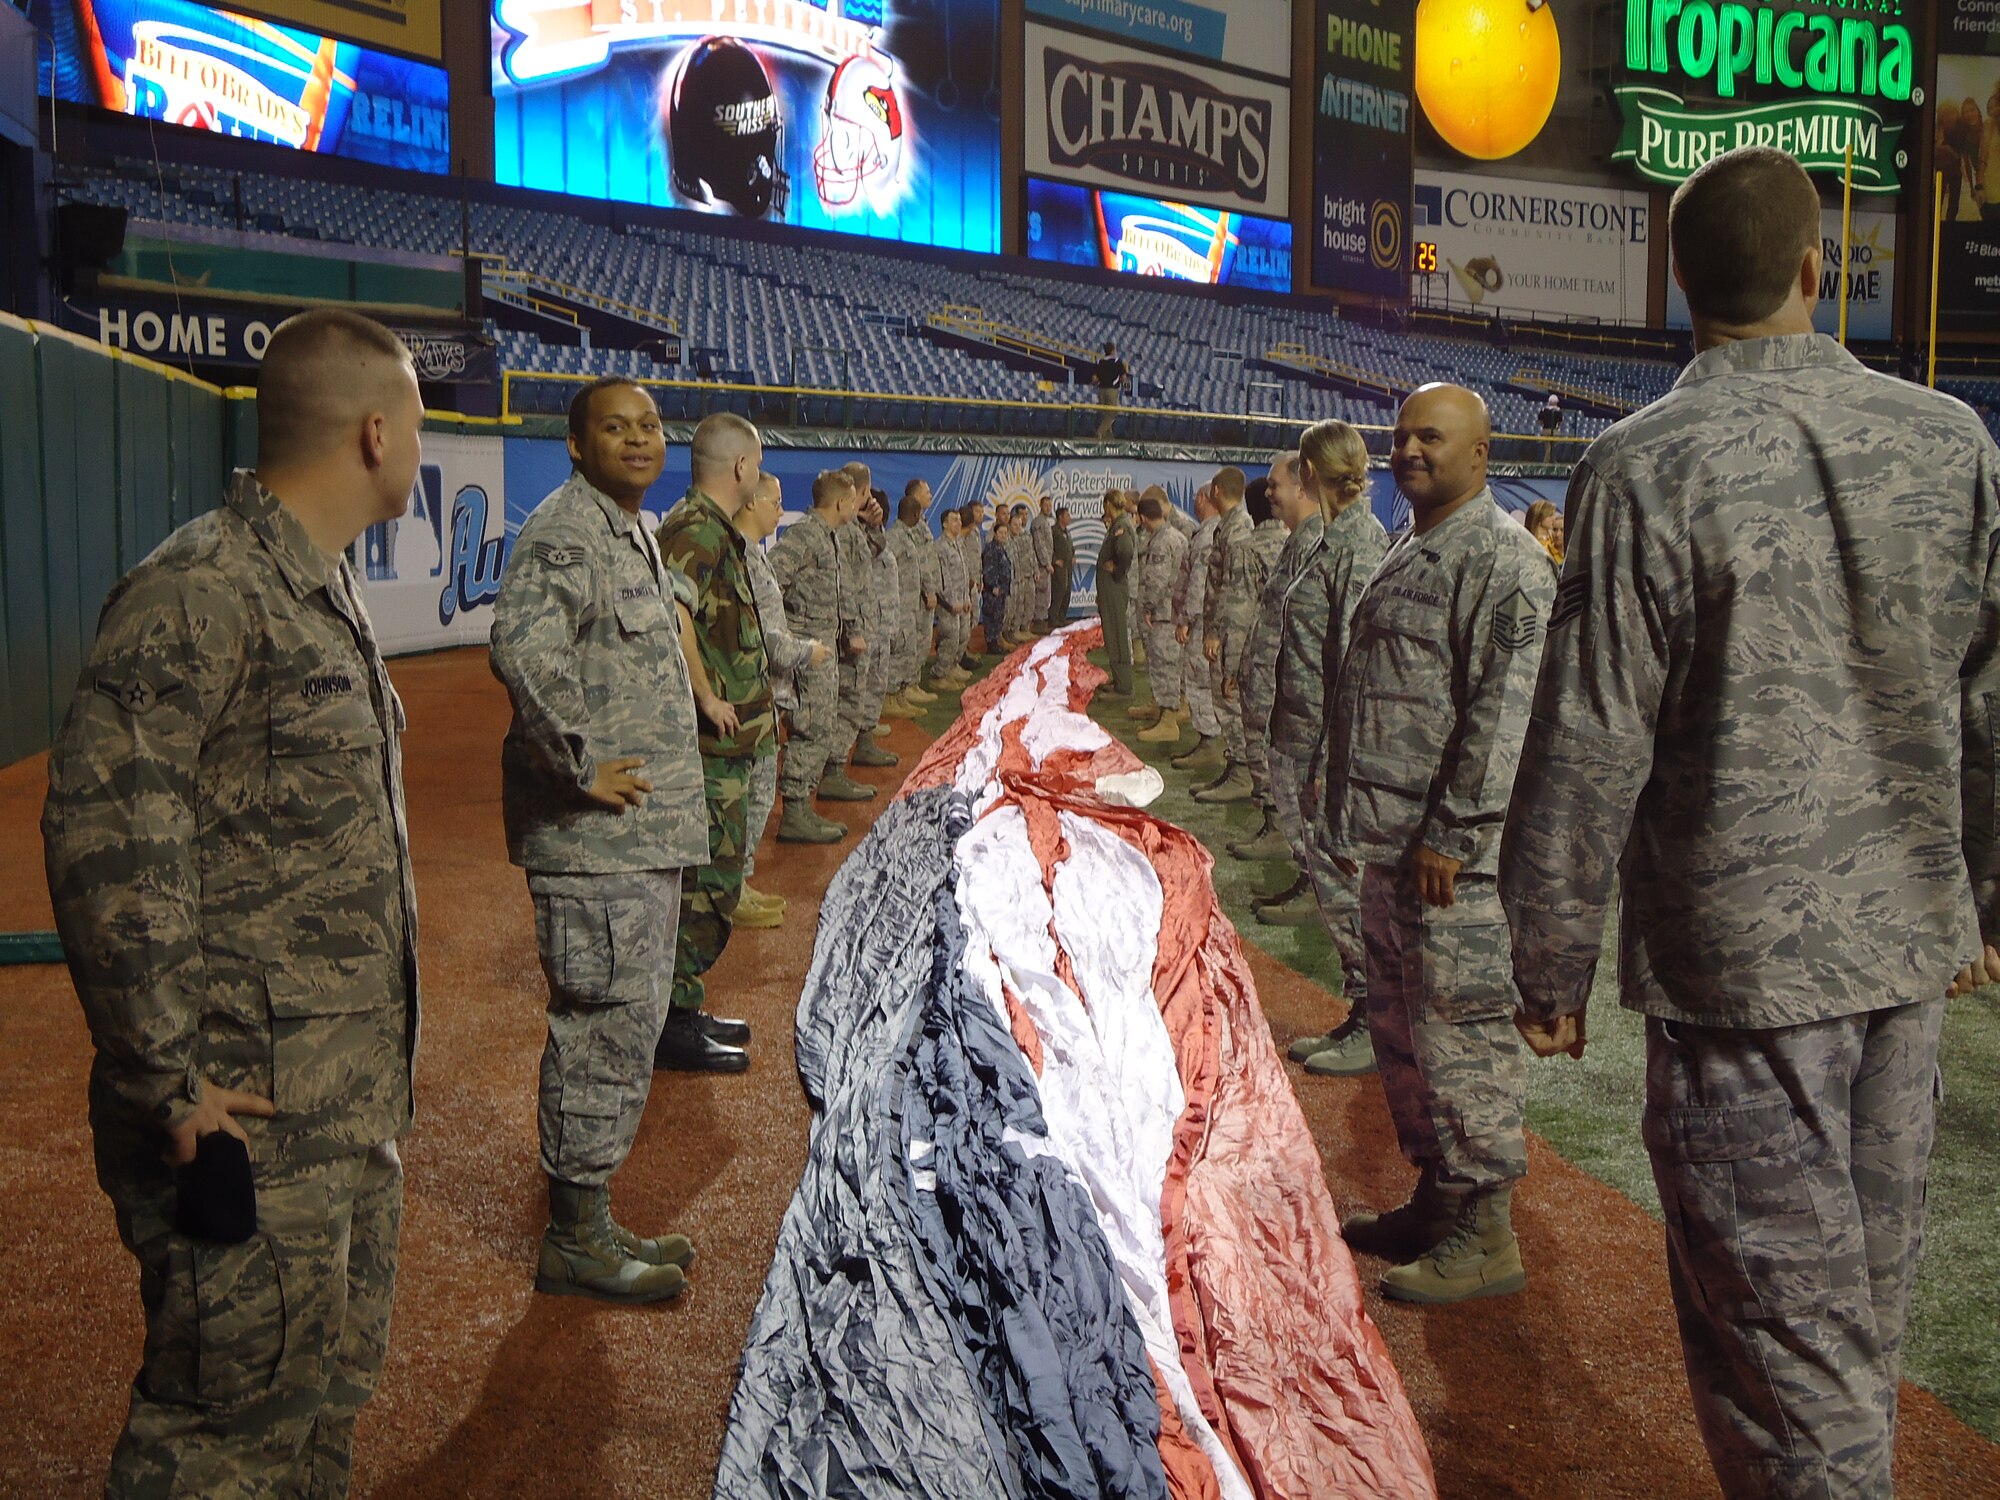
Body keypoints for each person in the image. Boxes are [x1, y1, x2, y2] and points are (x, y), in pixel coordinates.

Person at [1500, 144, 2000, 1499]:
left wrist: (1544, 960)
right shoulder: (1951, 441)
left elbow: (1589, 733)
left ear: (1678, 282)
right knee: (1846, 1341)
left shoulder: (1640, 463)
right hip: (1904, 955)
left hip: (1739, 977)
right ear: (1816, 271)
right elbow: (1993, 710)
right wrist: (1984, 904)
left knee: (1783, 1355)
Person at [43, 309, 424, 1495]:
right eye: (414, 424)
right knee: (220, 1436)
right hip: (239, 1115)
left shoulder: (314, 586)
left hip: (335, 1109)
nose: (416, 446)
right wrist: (169, 1085)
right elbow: (109, 839)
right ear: (375, 433)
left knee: (317, 1408)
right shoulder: (199, 591)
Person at [1323, 381, 1554, 1305]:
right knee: (1404, 1030)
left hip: (1448, 862)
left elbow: (1504, 717)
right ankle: (1439, 1193)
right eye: (1403, 435)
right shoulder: (1411, 541)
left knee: (1458, 1036)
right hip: (1390, 845)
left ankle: (1488, 1229)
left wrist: (1453, 834)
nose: (1411, 450)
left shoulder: (1505, 562)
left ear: (1481, 455)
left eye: (1433, 437)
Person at [490, 375, 703, 1304]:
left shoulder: (630, 531)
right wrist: (579, 766)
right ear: (576, 446)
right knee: (599, 1030)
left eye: (651, 425)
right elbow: (523, 650)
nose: (639, 440)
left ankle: (593, 1215)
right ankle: (573, 1239)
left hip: (637, 842)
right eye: (614, 428)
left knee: (626, 1028)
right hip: (595, 843)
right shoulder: (568, 534)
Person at [651, 413, 774, 1076]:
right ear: (740, 468)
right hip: (707, 747)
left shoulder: (709, 528)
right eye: (756, 463)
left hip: (728, 745)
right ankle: (668, 1019)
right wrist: (704, 694)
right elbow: (674, 617)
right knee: (707, 884)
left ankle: (683, 1005)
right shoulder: (695, 528)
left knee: (715, 882)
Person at [1281, 422, 1390, 1078]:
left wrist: (1331, 763)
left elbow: (1353, 664)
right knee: (1333, 886)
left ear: (1312, 472)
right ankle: (1365, 1013)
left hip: (1330, 746)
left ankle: (1373, 1019)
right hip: (1310, 738)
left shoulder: (1359, 544)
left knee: (1347, 890)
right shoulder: (1332, 539)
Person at [735, 473, 834, 910]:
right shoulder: (742, 557)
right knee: (749, 797)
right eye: (775, 502)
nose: (781, 511)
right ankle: (731, 891)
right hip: (751, 694)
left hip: (763, 694)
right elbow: (763, 635)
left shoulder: (752, 555)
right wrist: (805, 652)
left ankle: (736, 885)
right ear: (751, 502)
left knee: (756, 795)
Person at [768, 470, 872, 835]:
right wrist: (791, 632)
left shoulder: (828, 537)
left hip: (824, 648)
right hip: (808, 653)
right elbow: (770, 579)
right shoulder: (806, 536)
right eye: (854, 499)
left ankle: (803, 806)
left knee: (821, 724)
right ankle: (795, 812)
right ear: (842, 502)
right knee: (810, 728)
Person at [1234, 454, 1315, 883]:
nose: (1269, 495)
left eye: (1275, 486)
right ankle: (1282, 835)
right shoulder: (1294, 541)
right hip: (1274, 674)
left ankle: (1304, 869)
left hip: (1291, 686)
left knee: (1290, 775)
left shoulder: (1315, 545)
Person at [1206, 465, 1291, 816]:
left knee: (1256, 734)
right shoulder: (1294, 542)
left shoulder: (1246, 548)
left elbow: (1239, 614)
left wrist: (1231, 669)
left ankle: (1269, 817)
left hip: (1258, 656)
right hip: (1290, 656)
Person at [1197, 467, 1259, 798]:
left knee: (1230, 700)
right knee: (1224, 701)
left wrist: (1218, 634)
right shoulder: (1229, 525)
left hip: (1230, 632)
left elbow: (1234, 589)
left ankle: (1242, 773)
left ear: (1217, 490)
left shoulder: (1238, 529)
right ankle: (1235, 765)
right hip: (1221, 627)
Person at [1153, 485, 1223, 762]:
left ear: (1205, 498)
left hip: (1202, 621)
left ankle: (1209, 744)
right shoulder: (1208, 531)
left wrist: (1186, 618)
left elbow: (1199, 583)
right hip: (1207, 620)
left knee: (1200, 678)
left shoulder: (1209, 534)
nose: (1193, 501)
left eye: (1196, 496)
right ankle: (1208, 742)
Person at [1131, 492, 1187, 732]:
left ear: (1143, 518)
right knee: (1171, 664)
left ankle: (1168, 720)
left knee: (1164, 664)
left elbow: (1157, 580)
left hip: (1163, 613)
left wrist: (1148, 607)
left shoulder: (1162, 541)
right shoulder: (1179, 537)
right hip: (1176, 611)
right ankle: (1163, 709)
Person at [883, 483, 939, 714]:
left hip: (909, 602)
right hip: (900, 604)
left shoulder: (905, 535)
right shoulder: (895, 537)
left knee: (908, 648)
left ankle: (901, 693)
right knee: (899, 650)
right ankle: (891, 698)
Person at [1095, 490, 1137, 695]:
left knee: (1117, 633)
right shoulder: (1119, 523)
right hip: (1109, 588)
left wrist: (1118, 571)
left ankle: (1123, 684)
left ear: (1109, 504)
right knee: (1112, 633)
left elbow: (1126, 551)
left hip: (1114, 586)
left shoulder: (1120, 525)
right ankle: (1119, 678)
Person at [932, 507, 974, 686]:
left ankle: (953, 666)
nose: (959, 523)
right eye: (954, 520)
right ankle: (939, 675)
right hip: (949, 604)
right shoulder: (941, 546)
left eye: (959, 520)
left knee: (963, 635)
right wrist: (952, 602)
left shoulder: (958, 543)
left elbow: (964, 573)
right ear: (944, 524)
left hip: (962, 600)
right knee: (950, 637)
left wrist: (967, 598)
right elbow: (943, 578)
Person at [957, 500, 987, 670]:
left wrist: (980, 578)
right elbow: (964, 559)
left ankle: (965, 650)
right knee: (966, 619)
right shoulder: (964, 535)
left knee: (973, 618)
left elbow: (977, 558)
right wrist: (970, 580)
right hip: (965, 582)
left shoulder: (976, 533)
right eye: (977, 511)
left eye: (982, 511)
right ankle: (961, 654)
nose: (980, 514)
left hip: (975, 581)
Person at [981, 509, 1013, 656]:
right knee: (992, 617)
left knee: (999, 617)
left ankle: (996, 642)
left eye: (1005, 533)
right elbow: (988, 569)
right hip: (993, 591)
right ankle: (991, 644)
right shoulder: (991, 549)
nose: (1003, 536)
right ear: (994, 534)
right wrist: (993, 586)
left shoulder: (1001, 548)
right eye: (1001, 533)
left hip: (1002, 590)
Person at [1031, 494, 1057, 629]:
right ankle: (1038, 624)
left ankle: (1041, 622)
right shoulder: (1038, 522)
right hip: (1041, 565)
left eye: (1050, 506)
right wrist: (1046, 563)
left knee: (1046, 594)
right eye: (1046, 505)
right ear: (1040, 506)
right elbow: (1039, 544)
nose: (1048, 508)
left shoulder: (1046, 521)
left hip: (1046, 565)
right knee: (1041, 594)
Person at [1092, 340, 1129, 438]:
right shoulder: (1117, 361)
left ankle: (1108, 436)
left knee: (1105, 414)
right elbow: (1123, 377)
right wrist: (1128, 389)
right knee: (1112, 414)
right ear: (1113, 350)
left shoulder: (1099, 361)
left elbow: (1095, 379)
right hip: (1112, 390)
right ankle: (1100, 432)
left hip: (1101, 390)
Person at [1050, 505, 1076, 629]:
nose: (1069, 518)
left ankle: (1062, 618)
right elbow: (1049, 548)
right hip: (1059, 566)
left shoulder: (1067, 532)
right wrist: (1054, 560)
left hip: (1068, 566)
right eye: (1067, 515)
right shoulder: (1053, 531)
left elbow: (1070, 547)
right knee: (1059, 591)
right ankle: (1053, 619)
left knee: (1067, 591)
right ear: (1060, 517)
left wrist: (1073, 555)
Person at [1522, 499, 1563, 568]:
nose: (1554, 518)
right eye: (1550, 515)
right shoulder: (1532, 544)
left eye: (1553, 514)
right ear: (1539, 519)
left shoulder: (1555, 540)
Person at [1536, 393, 1563, 462]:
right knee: (1551, 447)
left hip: (1545, 429)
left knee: (1548, 447)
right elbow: (1560, 422)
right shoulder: (1558, 410)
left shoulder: (1543, 410)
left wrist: (1544, 424)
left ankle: (1550, 461)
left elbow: (1539, 421)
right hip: (1555, 430)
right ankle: (1547, 462)